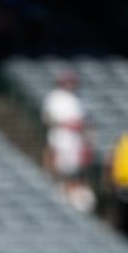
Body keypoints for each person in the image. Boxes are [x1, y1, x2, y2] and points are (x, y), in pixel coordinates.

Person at [41, 70, 95, 212]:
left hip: (77, 140)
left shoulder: (82, 99)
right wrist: (65, 124)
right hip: (61, 138)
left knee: (77, 171)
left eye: (73, 81)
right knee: (60, 171)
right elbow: (47, 119)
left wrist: (88, 141)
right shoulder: (54, 97)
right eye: (68, 81)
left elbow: (87, 123)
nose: (71, 84)